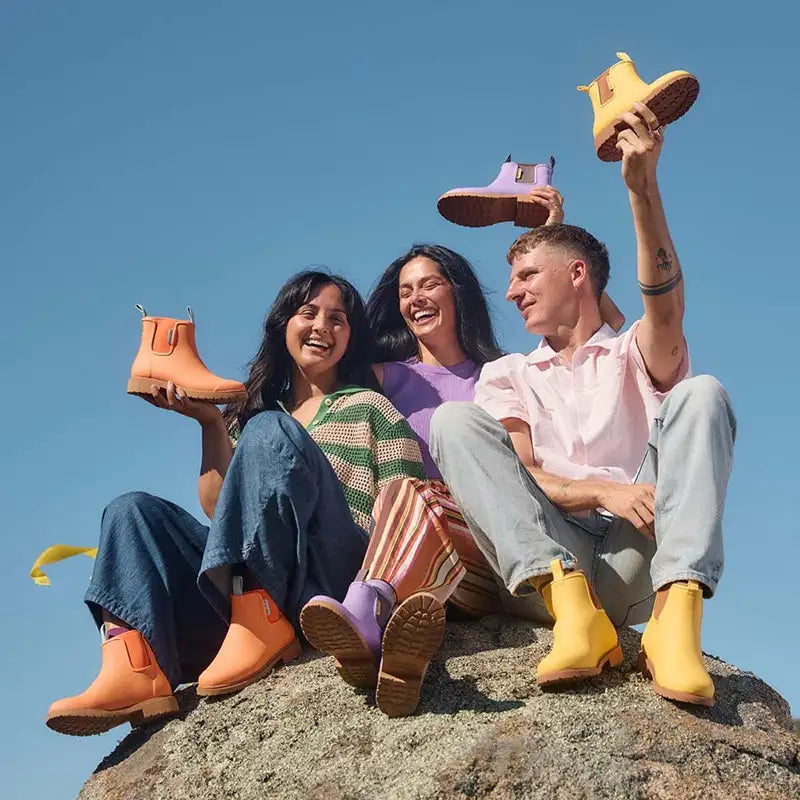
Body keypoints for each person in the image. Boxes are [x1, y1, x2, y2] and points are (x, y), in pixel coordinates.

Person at [428, 104, 736, 708]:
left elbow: (665, 310)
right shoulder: (506, 373)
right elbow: (520, 472)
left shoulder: (629, 354)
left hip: (634, 555)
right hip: (547, 566)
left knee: (704, 394)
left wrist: (642, 189)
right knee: (453, 420)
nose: (511, 290)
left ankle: (677, 626)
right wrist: (601, 491)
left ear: (577, 275)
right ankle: (580, 621)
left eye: (525, 274)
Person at [46, 271, 424, 736]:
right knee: (131, 511)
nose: (322, 326)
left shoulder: (370, 407)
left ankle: (260, 616)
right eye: (308, 313)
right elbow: (218, 511)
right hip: (249, 597)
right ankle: (136, 663)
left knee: (271, 430)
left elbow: (406, 508)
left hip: (333, 581)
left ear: (352, 337)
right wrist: (210, 423)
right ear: (282, 324)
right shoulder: (252, 420)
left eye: (338, 319)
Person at [301, 188, 627, 716]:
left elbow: (603, 332)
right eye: (406, 290)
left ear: (458, 293)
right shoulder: (380, 378)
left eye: (429, 283)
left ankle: (370, 611)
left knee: (422, 491)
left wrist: (559, 238)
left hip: (487, 555)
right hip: (408, 547)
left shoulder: (503, 376)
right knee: (409, 490)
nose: (416, 297)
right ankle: (398, 652)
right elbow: (315, 370)